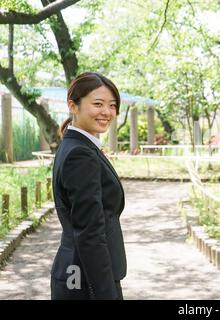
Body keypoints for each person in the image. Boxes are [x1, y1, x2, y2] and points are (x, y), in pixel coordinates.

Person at [50, 72, 126, 300]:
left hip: (80, 273)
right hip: (87, 279)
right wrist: (106, 293)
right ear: (73, 106)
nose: (107, 112)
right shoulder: (80, 154)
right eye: (98, 104)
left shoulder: (75, 145)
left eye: (112, 105)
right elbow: (89, 231)